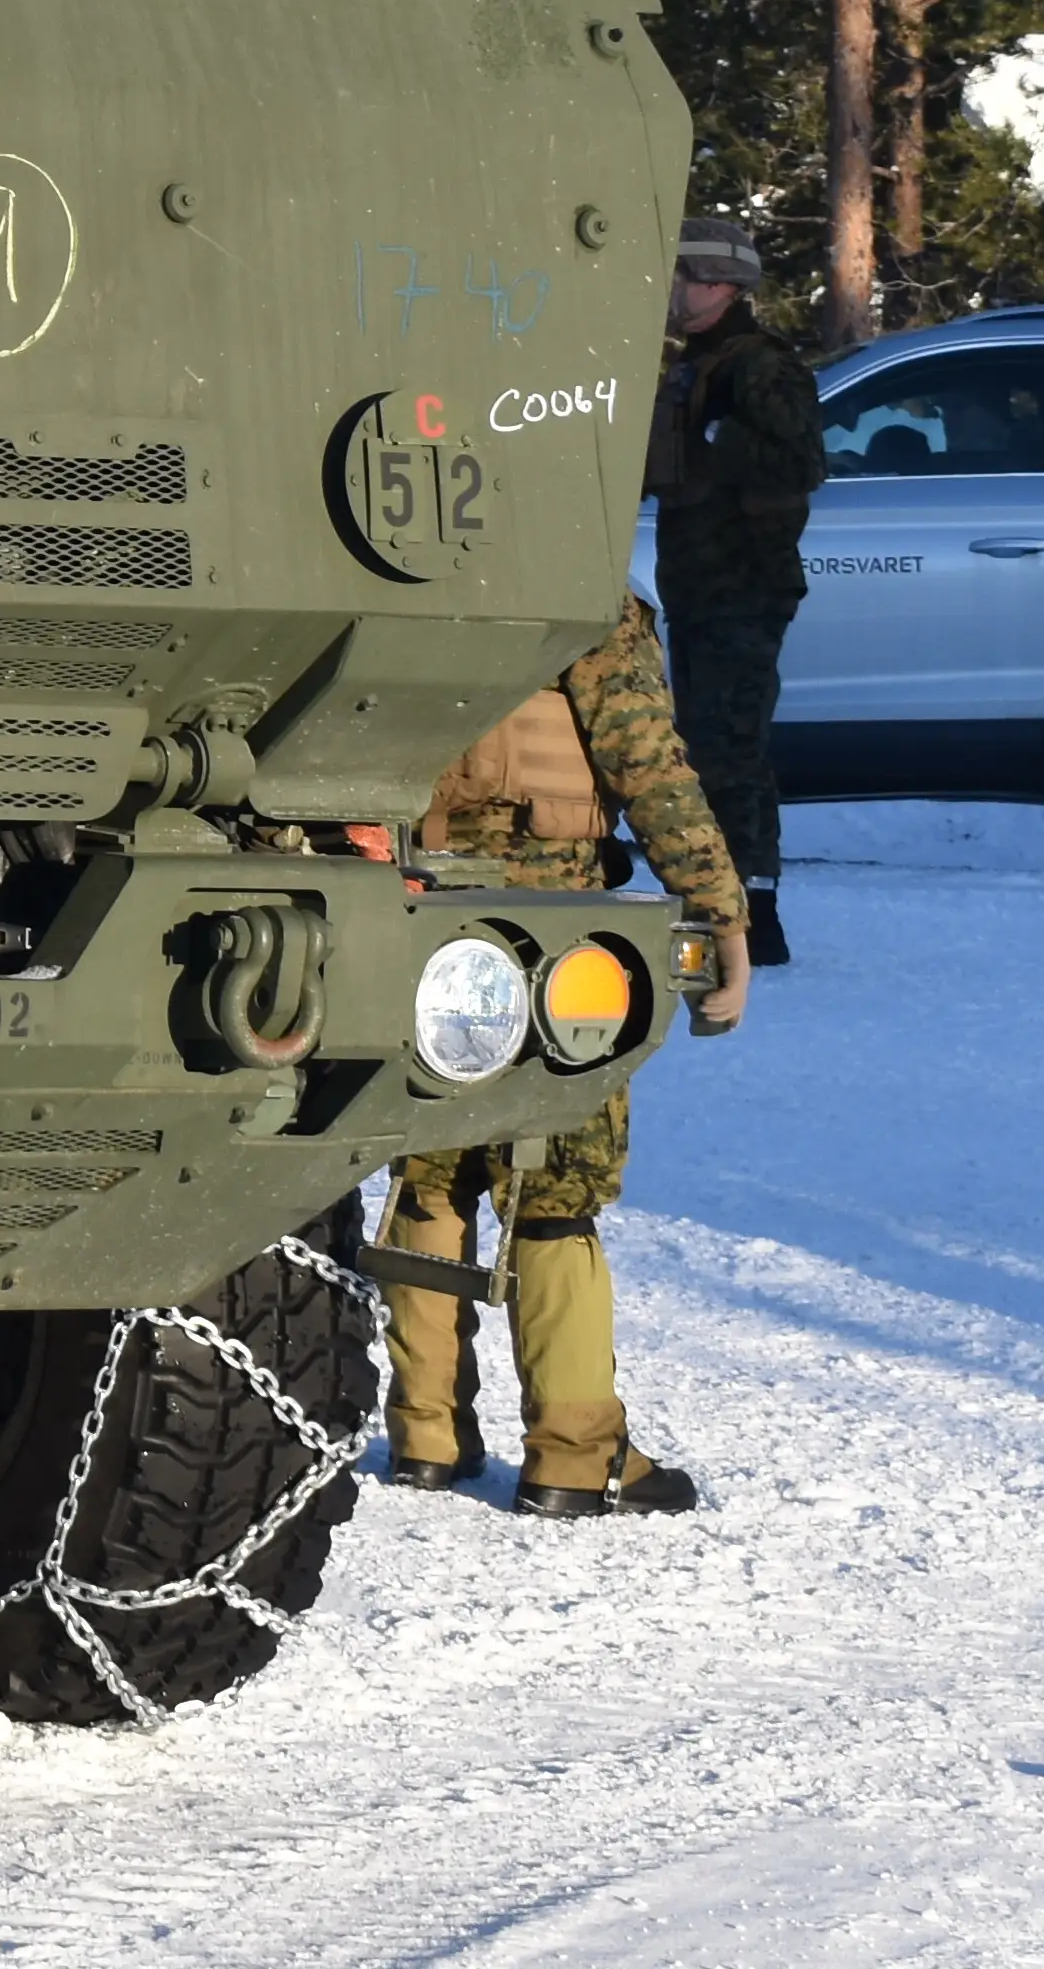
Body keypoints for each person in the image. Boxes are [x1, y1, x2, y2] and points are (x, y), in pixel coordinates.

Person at [382, 595, 756, 1515]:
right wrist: (721, 910)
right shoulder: (577, 589)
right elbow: (646, 762)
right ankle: (574, 1456)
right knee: (558, 1182)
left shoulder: (390, 579)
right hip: (551, 919)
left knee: (428, 1169)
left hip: (412, 901)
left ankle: (426, 1436)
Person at [646, 214, 824, 965]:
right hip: (699, 588)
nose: (670, 288)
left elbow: (801, 464)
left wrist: (720, 440)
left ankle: (753, 915)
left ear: (720, 284)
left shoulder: (759, 367)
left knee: (731, 750)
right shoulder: (696, 365)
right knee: (706, 746)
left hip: (743, 589)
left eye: (682, 275)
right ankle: (721, 905)